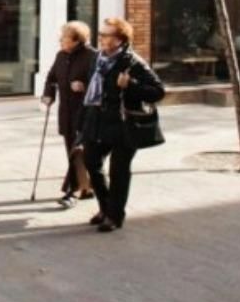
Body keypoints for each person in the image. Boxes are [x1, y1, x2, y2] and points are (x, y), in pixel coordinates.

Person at [75, 16, 165, 232]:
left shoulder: (133, 62)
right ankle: (106, 207)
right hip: (97, 120)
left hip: (124, 124)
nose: (101, 38)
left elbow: (158, 91)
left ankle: (115, 216)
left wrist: (131, 84)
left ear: (120, 39)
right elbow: (96, 89)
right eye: (101, 34)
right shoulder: (98, 58)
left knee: (119, 170)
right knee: (91, 161)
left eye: (106, 35)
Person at [41, 20, 97, 208]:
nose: (60, 41)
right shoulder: (60, 56)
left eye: (64, 38)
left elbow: (100, 85)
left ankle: (70, 192)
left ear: (76, 40)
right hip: (66, 112)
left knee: (77, 151)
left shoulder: (92, 56)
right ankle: (88, 187)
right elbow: (51, 77)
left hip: (86, 113)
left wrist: (84, 86)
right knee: (73, 152)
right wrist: (48, 95)